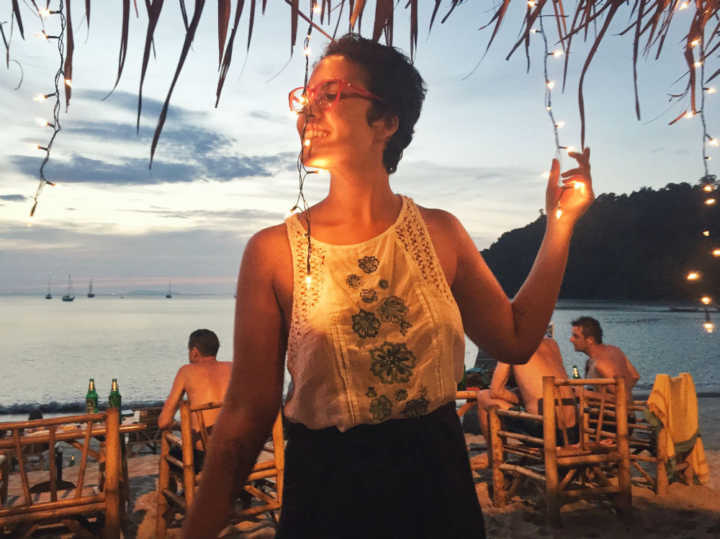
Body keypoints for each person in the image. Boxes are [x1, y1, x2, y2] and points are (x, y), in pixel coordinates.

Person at [184, 34, 594, 539]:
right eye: (305, 97)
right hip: (328, 499)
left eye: (329, 93)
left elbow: (515, 338)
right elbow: (246, 414)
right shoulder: (273, 251)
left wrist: (560, 226)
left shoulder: (440, 233)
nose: (308, 109)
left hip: (438, 489)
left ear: (387, 122)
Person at [475, 331, 579, 452]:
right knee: (520, 395)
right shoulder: (551, 343)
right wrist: (524, 396)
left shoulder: (511, 347)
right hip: (574, 432)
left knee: (483, 396)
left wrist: (520, 399)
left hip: (545, 433)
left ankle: (495, 454)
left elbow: (495, 391)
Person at [158, 329, 232, 471]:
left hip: (205, 458)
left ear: (194, 352)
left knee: (170, 455)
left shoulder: (186, 371)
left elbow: (163, 422)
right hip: (238, 452)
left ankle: (187, 486)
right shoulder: (233, 367)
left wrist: (182, 426)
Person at [570, 316, 639, 400]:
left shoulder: (600, 364)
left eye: (576, 336)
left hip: (612, 408)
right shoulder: (615, 350)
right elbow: (635, 376)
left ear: (590, 340)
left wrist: (585, 393)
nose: (571, 339)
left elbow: (623, 398)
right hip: (621, 407)